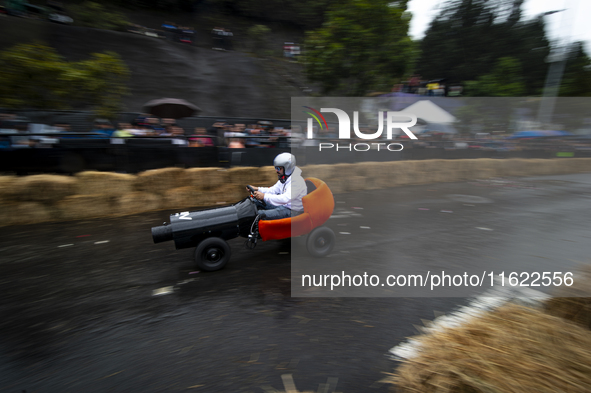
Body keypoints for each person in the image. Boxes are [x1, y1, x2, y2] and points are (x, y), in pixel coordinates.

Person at [247, 153, 307, 220]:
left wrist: (264, 196)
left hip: (292, 211)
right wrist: (258, 189)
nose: (276, 170)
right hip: (283, 205)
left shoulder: (297, 181)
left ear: (288, 168)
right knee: (254, 200)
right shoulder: (285, 178)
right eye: (275, 168)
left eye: (278, 168)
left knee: (258, 215)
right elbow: (273, 190)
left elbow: (285, 199)